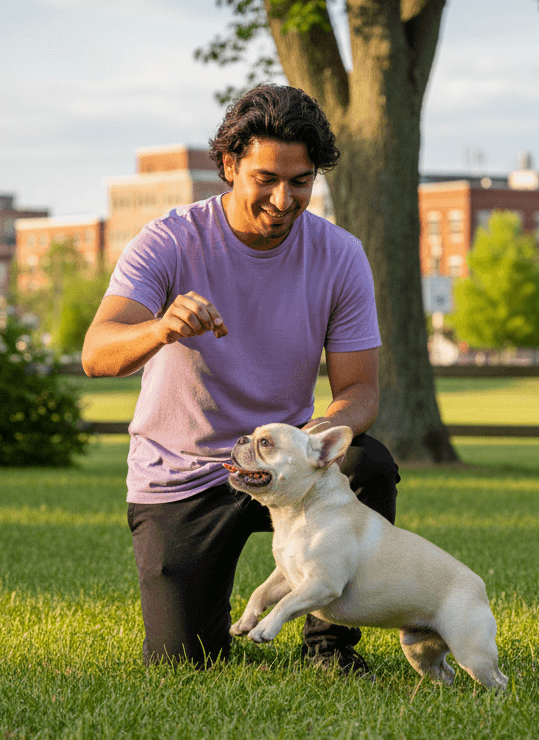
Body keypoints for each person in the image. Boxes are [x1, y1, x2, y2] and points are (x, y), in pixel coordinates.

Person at [82, 84, 400, 675]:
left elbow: (360, 390)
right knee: (185, 664)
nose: (284, 198)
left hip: (283, 465)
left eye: (300, 181)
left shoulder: (341, 255)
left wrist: (318, 438)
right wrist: (158, 329)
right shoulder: (169, 241)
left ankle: (327, 644)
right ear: (229, 166)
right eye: (266, 179)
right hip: (183, 474)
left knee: (365, 464)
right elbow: (97, 353)